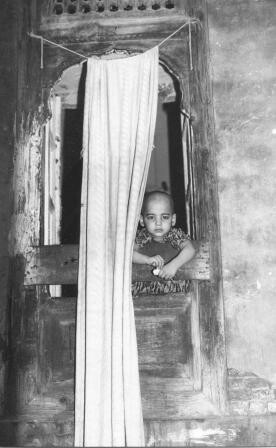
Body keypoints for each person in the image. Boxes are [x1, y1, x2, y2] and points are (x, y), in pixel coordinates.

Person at [133, 190, 196, 280]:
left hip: (175, 289)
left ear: (173, 219)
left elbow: (190, 249)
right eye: (151, 217)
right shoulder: (142, 236)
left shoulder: (175, 235)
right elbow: (129, 254)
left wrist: (173, 266)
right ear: (142, 220)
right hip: (146, 291)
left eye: (165, 217)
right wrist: (147, 260)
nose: (158, 223)